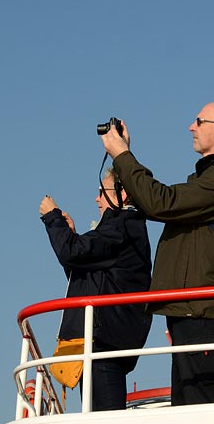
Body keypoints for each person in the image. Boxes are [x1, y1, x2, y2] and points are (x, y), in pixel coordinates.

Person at [100, 101, 214, 406]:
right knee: (190, 398)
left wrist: (122, 154)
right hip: (192, 306)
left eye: (199, 122)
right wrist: (125, 156)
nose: (191, 127)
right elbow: (157, 201)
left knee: (205, 395)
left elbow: (163, 203)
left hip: (201, 306)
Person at [39, 169, 152, 411]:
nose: (97, 198)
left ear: (123, 194)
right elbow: (85, 271)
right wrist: (71, 236)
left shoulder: (121, 225)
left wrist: (52, 218)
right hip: (105, 338)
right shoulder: (122, 227)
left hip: (106, 341)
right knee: (97, 420)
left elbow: (72, 253)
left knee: (105, 422)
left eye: (103, 191)